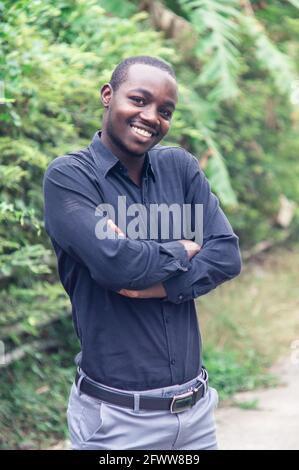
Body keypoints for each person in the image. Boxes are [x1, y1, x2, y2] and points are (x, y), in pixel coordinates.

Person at [43, 55, 242, 450]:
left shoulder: (180, 169)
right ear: (107, 95)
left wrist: (158, 283)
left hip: (196, 417)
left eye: (164, 110)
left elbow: (226, 255)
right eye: (138, 99)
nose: (151, 116)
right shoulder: (70, 179)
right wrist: (183, 249)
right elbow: (117, 266)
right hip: (116, 423)